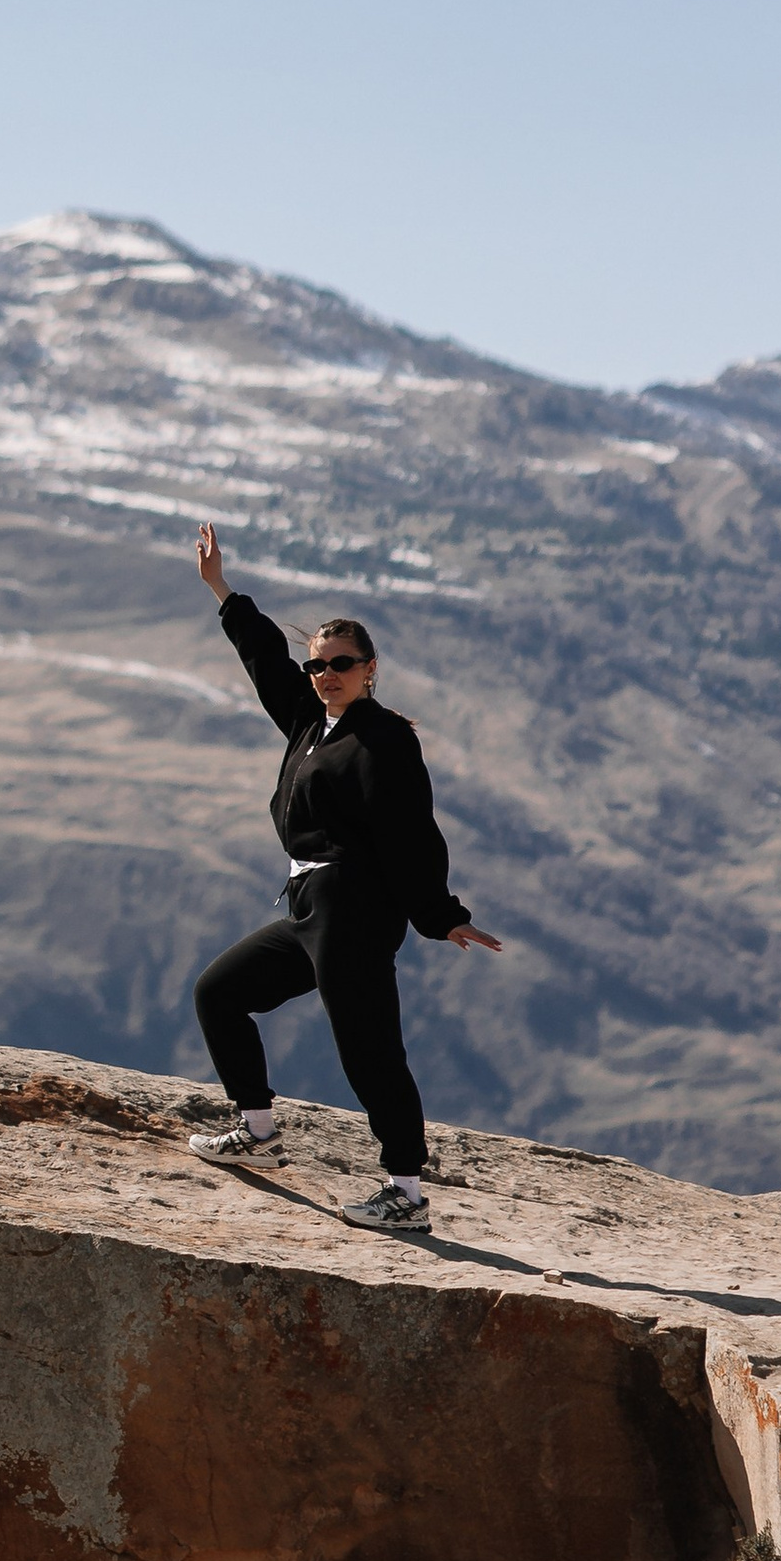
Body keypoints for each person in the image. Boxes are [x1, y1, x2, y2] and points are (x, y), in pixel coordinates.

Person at [186, 524, 500, 1231]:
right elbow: (264, 657)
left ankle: (407, 1194)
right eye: (318, 664)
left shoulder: (384, 740)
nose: (326, 673)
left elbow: (411, 831)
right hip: (308, 906)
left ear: (370, 668)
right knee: (220, 992)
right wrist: (221, 588)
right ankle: (258, 1132)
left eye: (342, 663)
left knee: (368, 1046)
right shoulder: (310, 720)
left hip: (352, 907)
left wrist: (440, 912)